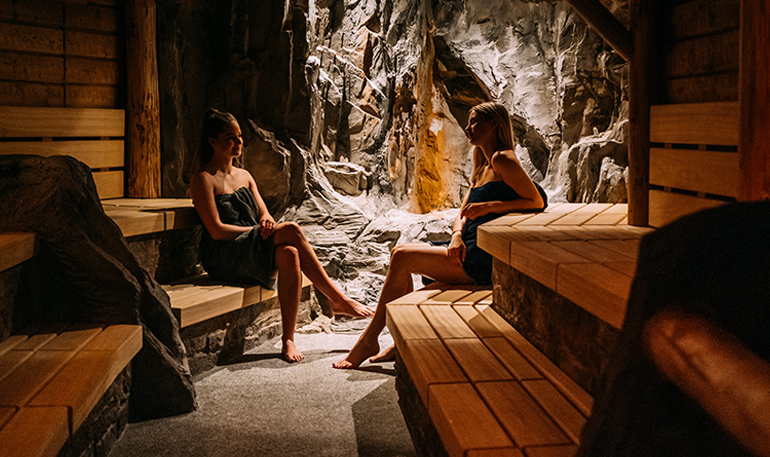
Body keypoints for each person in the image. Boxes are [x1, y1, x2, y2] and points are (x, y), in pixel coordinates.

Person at [333, 101, 547, 369]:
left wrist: (493, 206)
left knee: (402, 256)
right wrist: (457, 234)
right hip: (466, 244)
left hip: (481, 258)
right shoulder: (481, 163)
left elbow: (536, 201)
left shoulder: (503, 159)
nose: (468, 128)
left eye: (474, 122)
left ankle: (370, 339)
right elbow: (463, 211)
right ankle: (399, 341)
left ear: (494, 124)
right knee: (410, 273)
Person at [190, 108, 373, 363]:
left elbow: (265, 214)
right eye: (230, 138)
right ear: (212, 141)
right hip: (224, 254)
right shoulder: (202, 179)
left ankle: (289, 338)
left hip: (250, 248)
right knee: (292, 230)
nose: (238, 142)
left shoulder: (244, 176)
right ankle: (338, 299)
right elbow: (217, 230)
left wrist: (265, 221)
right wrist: (257, 232)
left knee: (289, 254)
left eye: (240, 136)